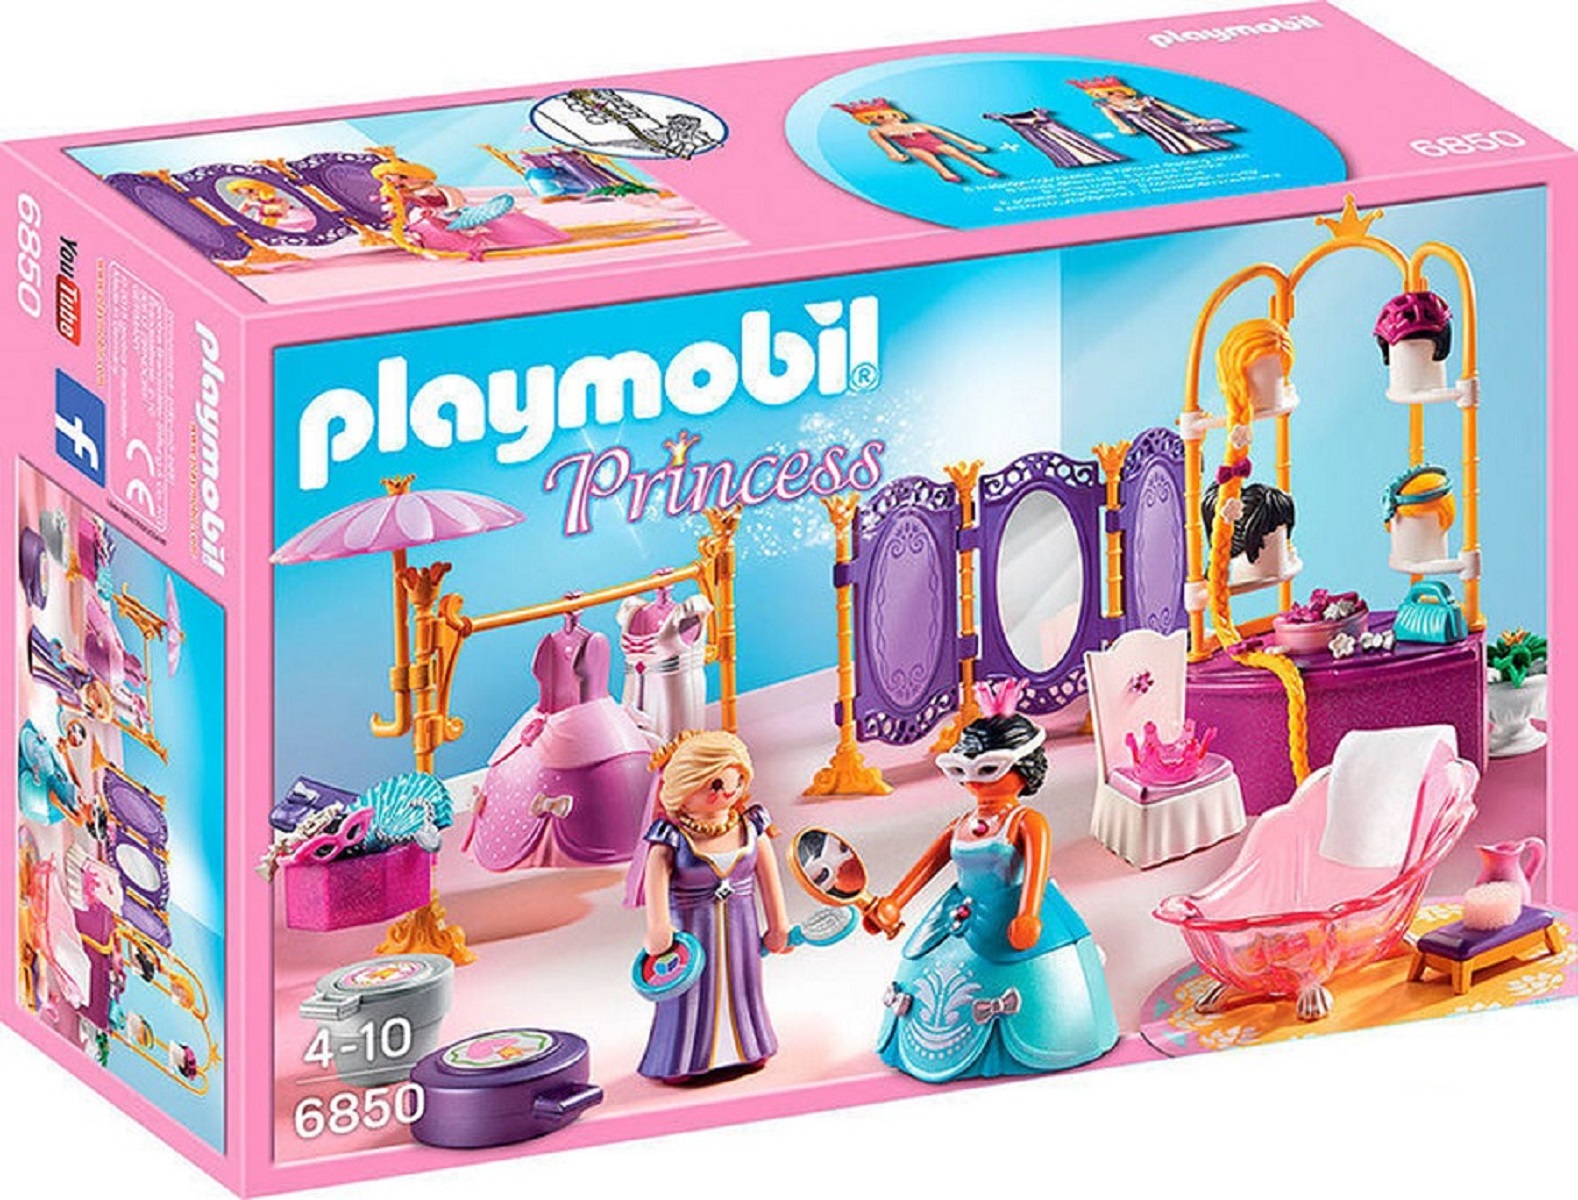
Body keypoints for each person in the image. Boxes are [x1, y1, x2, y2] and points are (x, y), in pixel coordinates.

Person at [861, 680, 1119, 1082]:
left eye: (988, 769)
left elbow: (1037, 870)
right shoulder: (961, 824)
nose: (975, 781)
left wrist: (1029, 914)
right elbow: (927, 866)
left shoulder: (1026, 821)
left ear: (1024, 768)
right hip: (957, 915)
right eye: (962, 770)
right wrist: (894, 901)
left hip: (1011, 910)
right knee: (927, 968)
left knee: (1020, 978)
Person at [629, 730, 791, 1083]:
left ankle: (749, 1045)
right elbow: (656, 890)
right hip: (691, 937)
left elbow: (770, 880)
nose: (727, 791)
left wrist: (778, 926)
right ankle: (683, 1058)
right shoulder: (670, 840)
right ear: (684, 788)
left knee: (743, 988)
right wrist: (659, 930)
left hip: (742, 934)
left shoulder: (752, 829)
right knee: (689, 997)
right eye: (715, 784)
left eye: (736, 780)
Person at [834, 99, 1002, 184]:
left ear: (897, 114)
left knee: (953, 151)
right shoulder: (877, 131)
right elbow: (884, 144)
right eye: (879, 117)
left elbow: (945, 133)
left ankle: (982, 168)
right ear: (871, 120)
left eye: (889, 114)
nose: (886, 118)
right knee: (925, 156)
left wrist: (968, 143)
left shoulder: (918, 125)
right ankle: (944, 172)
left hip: (933, 142)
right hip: (913, 147)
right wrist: (893, 153)